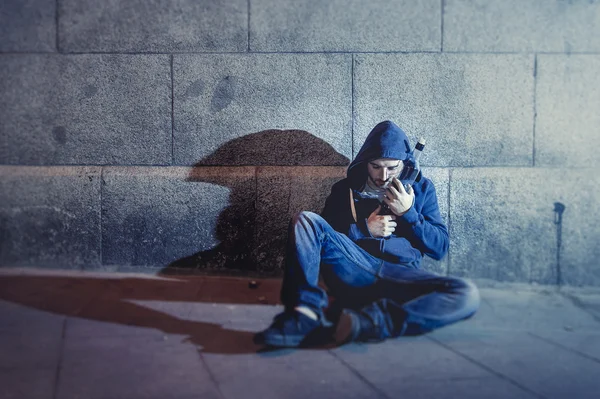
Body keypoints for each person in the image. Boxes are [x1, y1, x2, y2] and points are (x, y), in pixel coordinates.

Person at [254, 120, 480, 347]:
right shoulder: (344, 190)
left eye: (392, 168)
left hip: (400, 277)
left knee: (465, 293)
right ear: (365, 163)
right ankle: (304, 315)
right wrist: (364, 229)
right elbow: (324, 240)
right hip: (356, 269)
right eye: (376, 166)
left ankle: (368, 323)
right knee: (306, 221)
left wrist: (409, 213)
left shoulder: (422, 189)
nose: (383, 176)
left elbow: (439, 248)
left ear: (405, 163)